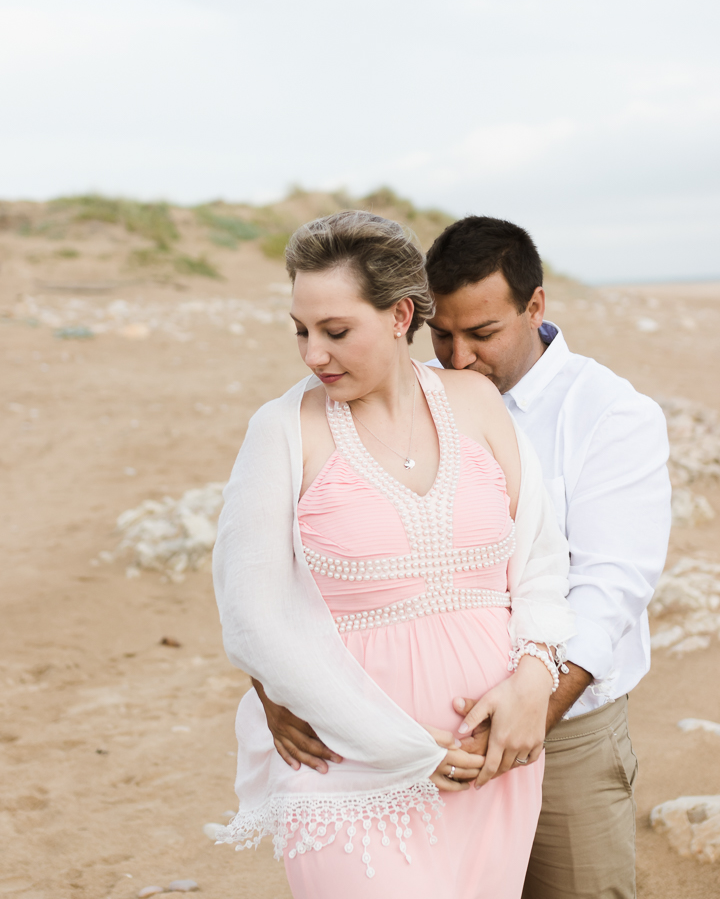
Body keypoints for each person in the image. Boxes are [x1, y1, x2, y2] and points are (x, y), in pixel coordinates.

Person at [259, 215, 671, 899]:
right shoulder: (410, 395)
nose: (457, 356)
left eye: (481, 334)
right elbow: (302, 559)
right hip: (408, 748)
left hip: (564, 732)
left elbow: (610, 588)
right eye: (440, 334)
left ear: (534, 307)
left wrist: (529, 708)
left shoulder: (609, 413)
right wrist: (276, 687)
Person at [212, 211, 574, 899]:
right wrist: (399, 750)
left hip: (491, 768)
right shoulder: (282, 430)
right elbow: (251, 620)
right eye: (301, 330)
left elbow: (541, 563)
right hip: (350, 772)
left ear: (401, 313)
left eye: (336, 331)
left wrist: (533, 678)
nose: (313, 354)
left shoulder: (476, 402)